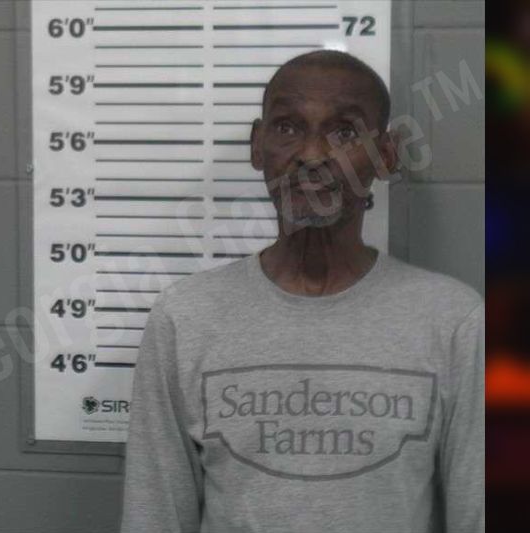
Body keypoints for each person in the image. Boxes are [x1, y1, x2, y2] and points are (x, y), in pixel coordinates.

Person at [119, 50, 484, 533]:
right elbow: (153, 516)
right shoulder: (184, 319)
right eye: (288, 127)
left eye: (345, 132)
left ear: (386, 155)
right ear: (258, 146)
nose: (312, 154)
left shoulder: (454, 322)